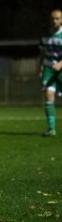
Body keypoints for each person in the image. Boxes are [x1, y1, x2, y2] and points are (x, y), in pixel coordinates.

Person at [39, 8, 62, 137]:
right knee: (49, 95)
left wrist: (60, 63)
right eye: (52, 18)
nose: (54, 21)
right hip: (49, 69)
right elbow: (42, 53)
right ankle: (51, 128)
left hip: (61, 69)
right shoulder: (45, 36)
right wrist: (40, 67)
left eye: (57, 18)